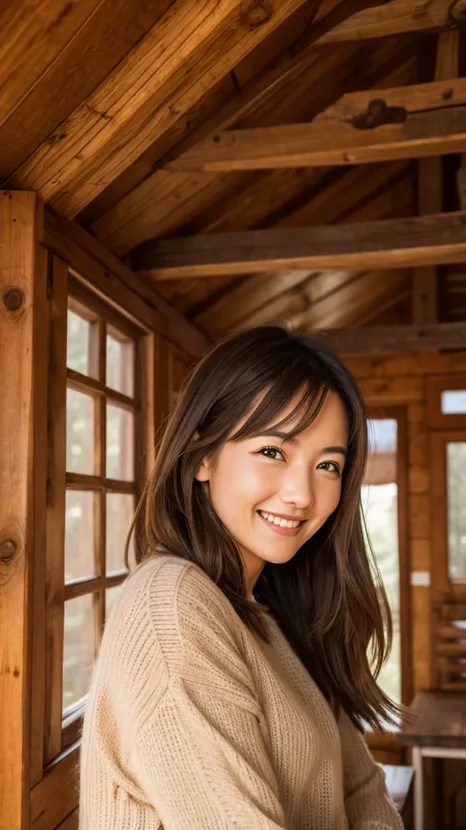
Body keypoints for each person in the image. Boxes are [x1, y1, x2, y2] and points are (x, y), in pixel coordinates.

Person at [80, 324, 404, 829]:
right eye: (273, 452)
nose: (302, 493)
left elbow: (362, 790)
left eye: (328, 465)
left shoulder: (272, 609)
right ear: (201, 454)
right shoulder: (172, 607)